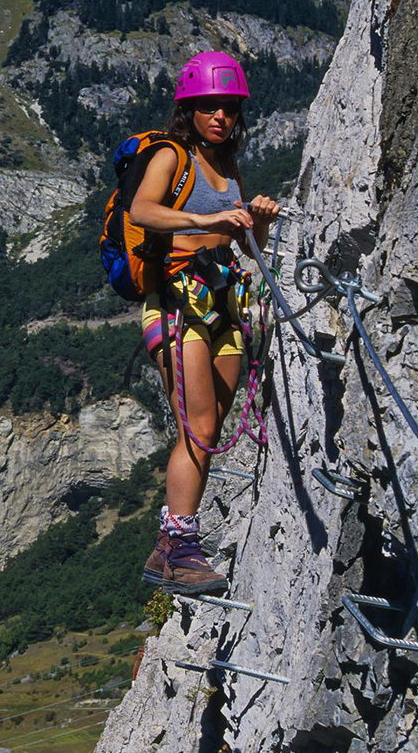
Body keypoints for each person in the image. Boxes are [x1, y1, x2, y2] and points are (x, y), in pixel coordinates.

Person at [133, 52, 281, 595]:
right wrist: (204, 218)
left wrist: (255, 224)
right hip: (176, 302)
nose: (220, 117)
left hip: (222, 304)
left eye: (229, 108)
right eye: (209, 107)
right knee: (196, 426)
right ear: (189, 109)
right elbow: (143, 211)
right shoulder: (172, 157)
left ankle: (169, 549)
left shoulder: (228, 169)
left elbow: (245, 247)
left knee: (213, 425)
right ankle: (178, 544)